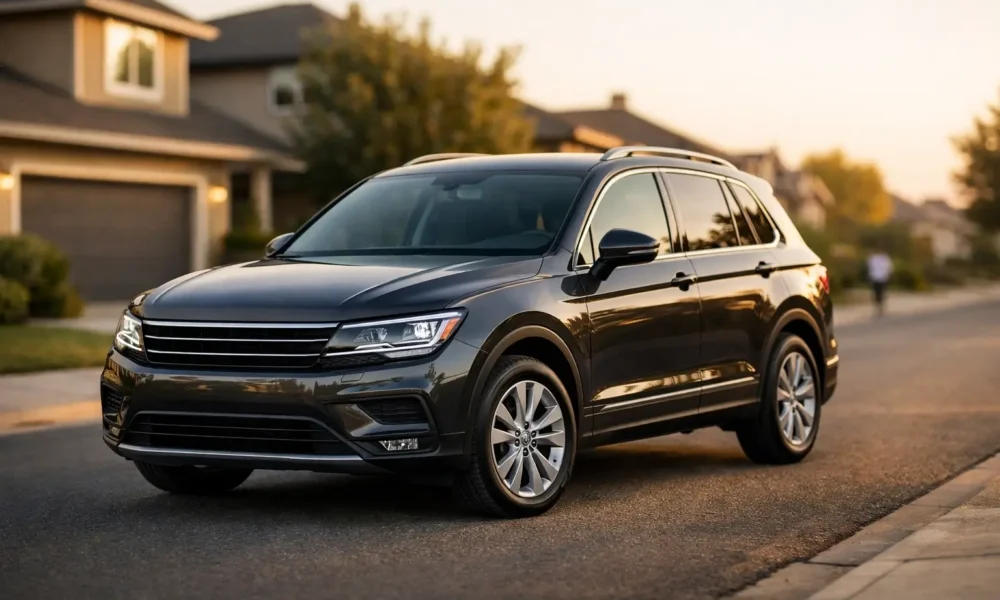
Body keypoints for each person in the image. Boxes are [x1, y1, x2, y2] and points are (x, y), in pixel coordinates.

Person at [867, 249, 893, 316]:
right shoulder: (872, 258)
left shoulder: (885, 258)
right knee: (876, 293)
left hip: (882, 278)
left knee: (881, 292)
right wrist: (870, 276)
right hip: (875, 278)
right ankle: (878, 307)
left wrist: (887, 275)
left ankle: (881, 307)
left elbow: (889, 267)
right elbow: (870, 268)